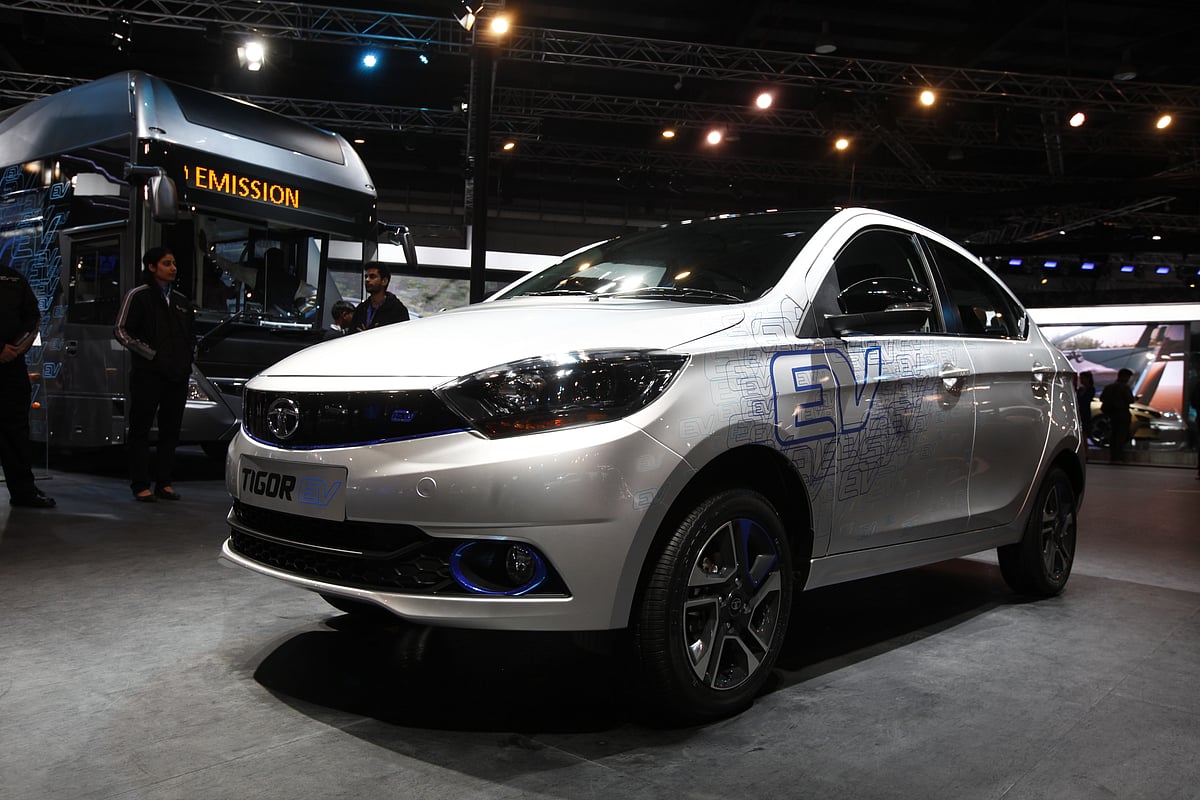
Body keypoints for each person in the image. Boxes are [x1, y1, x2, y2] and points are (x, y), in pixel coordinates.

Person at [114, 247, 195, 502]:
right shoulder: (138, 295)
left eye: (173, 263)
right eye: (166, 263)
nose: (173, 268)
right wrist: (150, 354)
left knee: (171, 431)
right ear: (151, 267)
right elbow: (121, 330)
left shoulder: (182, 301)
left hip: (177, 376)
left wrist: (189, 360)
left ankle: (164, 482)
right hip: (147, 375)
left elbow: (190, 336)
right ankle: (140, 484)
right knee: (140, 429)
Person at [0, 262, 56, 508]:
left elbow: (32, 316)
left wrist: (18, 347)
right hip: (6, 356)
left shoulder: (13, 279)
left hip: (11, 366)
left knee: (16, 432)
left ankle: (23, 491)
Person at [348, 262, 409, 333]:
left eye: (372, 277)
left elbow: (402, 336)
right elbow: (351, 333)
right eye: (366, 277)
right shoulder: (361, 308)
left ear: (384, 281)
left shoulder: (397, 310)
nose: (367, 280)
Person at [1100, 367, 1135, 464]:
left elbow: (1102, 398)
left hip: (1111, 415)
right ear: (1124, 376)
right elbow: (1130, 400)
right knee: (1122, 436)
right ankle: (1119, 456)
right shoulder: (1125, 387)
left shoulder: (1109, 387)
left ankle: (1113, 456)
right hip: (1123, 414)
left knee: (1113, 435)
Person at [1075, 370, 1095, 440]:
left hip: (1084, 412)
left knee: (1084, 433)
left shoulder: (1090, 389)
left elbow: (1084, 400)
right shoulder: (1082, 389)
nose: (1081, 380)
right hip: (1081, 411)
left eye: (1082, 378)